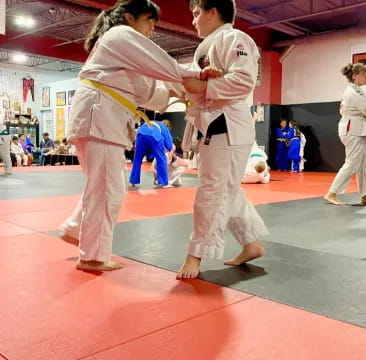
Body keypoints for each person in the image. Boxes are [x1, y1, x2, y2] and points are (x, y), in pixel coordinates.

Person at [58, 0, 221, 272]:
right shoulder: (121, 35)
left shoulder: (119, 48)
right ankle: (92, 257)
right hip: (99, 117)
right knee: (108, 188)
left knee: (102, 185)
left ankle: (76, 229)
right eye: (149, 21)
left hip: (98, 117)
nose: (152, 29)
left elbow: (146, 92)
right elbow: (161, 63)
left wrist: (174, 91)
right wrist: (196, 74)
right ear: (130, 17)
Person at [177, 0, 269, 279]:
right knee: (227, 189)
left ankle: (196, 254)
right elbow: (196, 86)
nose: (193, 20)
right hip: (213, 125)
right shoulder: (206, 46)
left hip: (227, 126)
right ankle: (250, 242)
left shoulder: (235, 38)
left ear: (212, 12)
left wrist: (204, 85)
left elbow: (244, 80)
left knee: (212, 191)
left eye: (196, 14)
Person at [324, 63, 366, 206]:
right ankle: (332, 193)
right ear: (354, 76)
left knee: (364, 164)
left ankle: (365, 195)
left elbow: (364, 112)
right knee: (352, 162)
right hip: (352, 129)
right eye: (364, 74)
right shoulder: (351, 92)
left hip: (360, 129)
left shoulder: (359, 91)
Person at [129, 119, 173, 187]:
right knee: (162, 159)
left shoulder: (153, 122)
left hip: (140, 135)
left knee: (137, 159)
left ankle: (132, 181)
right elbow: (169, 145)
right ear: (168, 127)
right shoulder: (164, 127)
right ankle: (163, 182)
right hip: (154, 136)